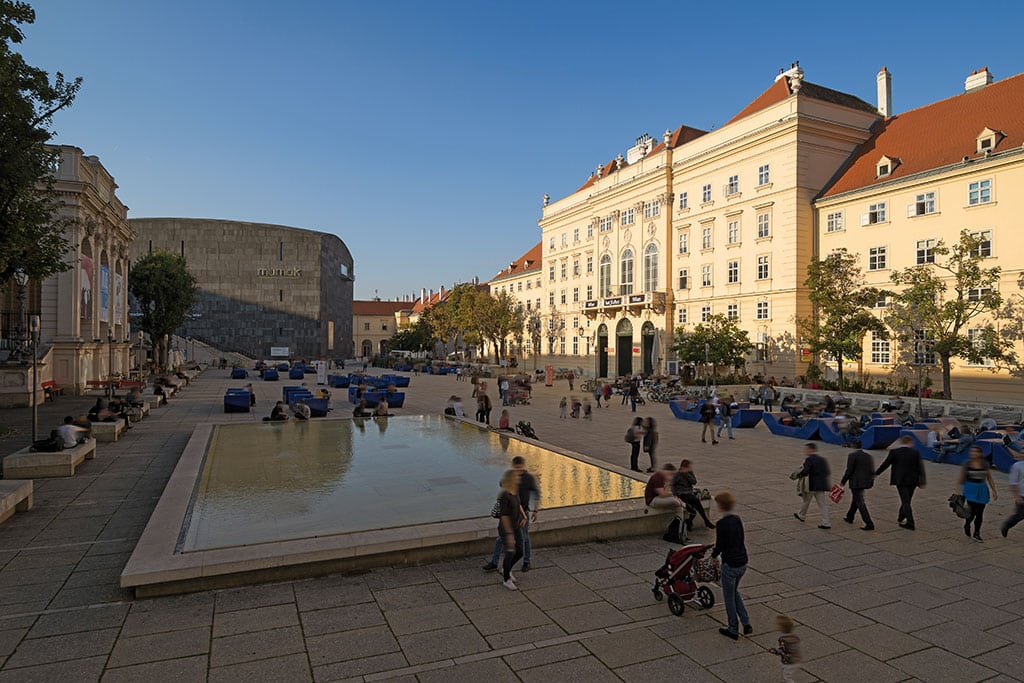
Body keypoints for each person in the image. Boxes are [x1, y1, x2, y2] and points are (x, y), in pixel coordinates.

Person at [484, 456, 540, 574]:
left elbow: (536, 494)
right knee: (500, 538)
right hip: (508, 512)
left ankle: (526, 561)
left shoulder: (529, 478)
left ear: (523, 466)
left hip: (522, 512)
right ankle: (494, 562)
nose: (518, 471)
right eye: (516, 468)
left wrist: (535, 510)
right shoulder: (510, 476)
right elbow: (502, 486)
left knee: (524, 538)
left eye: (520, 468)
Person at [712, 491, 752, 640]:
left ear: (721, 506)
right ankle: (746, 622)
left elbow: (720, 545)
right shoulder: (737, 519)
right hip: (742, 562)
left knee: (729, 597)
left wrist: (713, 556)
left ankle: (733, 628)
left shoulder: (721, 524)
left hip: (730, 564)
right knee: (734, 591)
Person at [875, 434, 926, 530]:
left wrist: (876, 473)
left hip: (900, 480)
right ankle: (901, 516)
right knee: (907, 499)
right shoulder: (915, 452)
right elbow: (920, 467)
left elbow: (886, 464)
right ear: (910, 442)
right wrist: (922, 481)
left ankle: (910, 522)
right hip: (913, 480)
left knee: (905, 500)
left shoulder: (895, 452)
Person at [957, 446, 998, 542]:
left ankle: (977, 533)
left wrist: (994, 490)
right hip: (970, 489)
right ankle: (967, 524)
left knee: (980, 513)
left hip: (982, 489)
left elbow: (989, 477)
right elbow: (961, 479)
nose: (973, 454)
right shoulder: (967, 464)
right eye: (972, 452)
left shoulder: (985, 464)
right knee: (972, 512)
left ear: (980, 453)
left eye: (976, 452)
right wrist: (958, 492)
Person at [495, 468, 526, 590]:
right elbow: (504, 516)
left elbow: (518, 504)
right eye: (517, 477)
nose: (519, 478)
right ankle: (506, 579)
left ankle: (506, 569)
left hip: (516, 526)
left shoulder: (515, 490)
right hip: (506, 528)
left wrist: (524, 516)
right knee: (510, 552)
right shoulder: (504, 495)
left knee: (520, 551)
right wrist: (509, 534)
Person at [793, 443, 831, 528]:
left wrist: (799, 474)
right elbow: (827, 472)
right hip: (821, 486)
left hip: (811, 485)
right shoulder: (823, 459)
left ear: (811, 449)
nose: (805, 451)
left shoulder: (809, 459)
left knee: (806, 501)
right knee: (822, 504)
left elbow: (806, 471)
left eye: (806, 449)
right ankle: (826, 522)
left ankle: (802, 515)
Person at [671, 459, 715, 530]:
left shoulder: (690, 473)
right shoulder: (677, 474)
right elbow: (673, 485)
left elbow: (694, 482)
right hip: (681, 494)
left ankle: (702, 521)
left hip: (689, 493)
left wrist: (687, 474)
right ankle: (703, 521)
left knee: (696, 504)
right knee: (695, 503)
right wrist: (675, 495)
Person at [841, 448, 875, 530]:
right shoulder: (868, 456)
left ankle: (869, 523)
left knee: (860, 502)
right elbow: (872, 470)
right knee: (856, 499)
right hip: (865, 482)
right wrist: (871, 481)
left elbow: (849, 470)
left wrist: (843, 481)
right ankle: (850, 516)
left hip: (856, 482)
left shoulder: (852, 455)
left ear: (853, 446)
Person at [770, 615, 802, 682]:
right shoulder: (793, 636)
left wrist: (775, 651)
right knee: (785, 672)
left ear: (781, 628)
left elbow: (783, 650)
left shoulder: (783, 640)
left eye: (778, 625)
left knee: (786, 676)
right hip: (796, 659)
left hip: (789, 661)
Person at [1000, 446, 1024, 538]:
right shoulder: (1017, 466)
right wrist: (1017, 496)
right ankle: (1007, 525)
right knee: (1020, 515)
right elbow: (1013, 482)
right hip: (1022, 494)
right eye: (1022, 453)